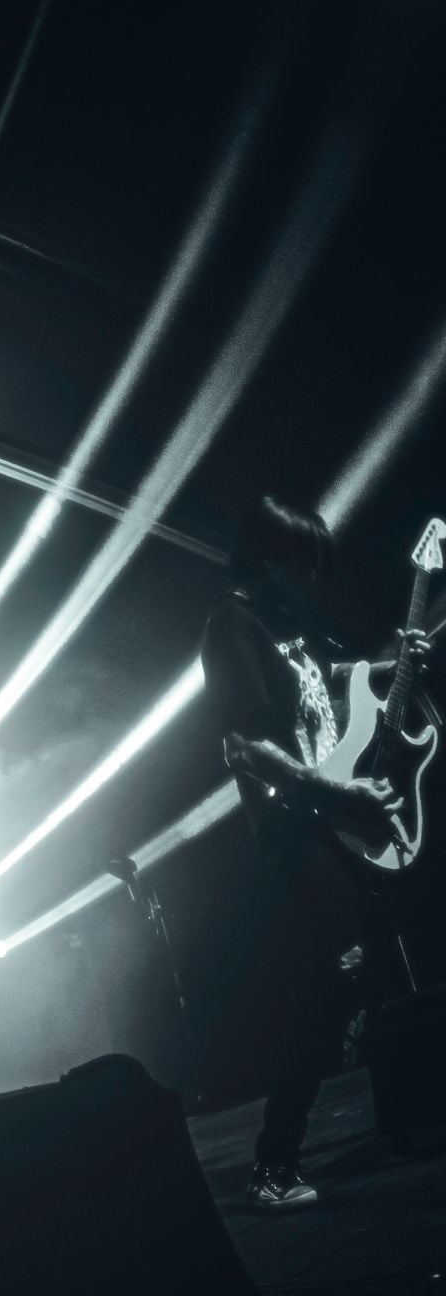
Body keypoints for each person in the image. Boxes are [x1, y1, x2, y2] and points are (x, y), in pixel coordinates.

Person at [199, 496, 431, 1211]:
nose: (315, 579)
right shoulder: (233, 624)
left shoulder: (293, 627)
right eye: (306, 564)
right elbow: (245, 745)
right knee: (338, 979)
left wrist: (397, 660)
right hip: (296, 828)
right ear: (273, 560)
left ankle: (406, 1118)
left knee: (384, 971)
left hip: (342, 820)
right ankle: (272, 1164)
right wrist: (338, 792)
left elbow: (342, 696)